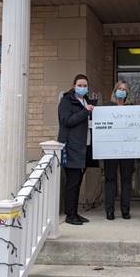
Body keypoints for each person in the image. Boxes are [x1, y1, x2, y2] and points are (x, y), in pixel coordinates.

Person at [57, 74, 94, 226]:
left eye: (85, 85)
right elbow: (66, 121)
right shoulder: (66, 101)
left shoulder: (86, 100)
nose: (83, 88)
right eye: (80, 85)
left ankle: (75, 212)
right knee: (72, 182)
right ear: (74, 85)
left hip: (83, 146)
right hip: (71, 146)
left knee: (78, 181)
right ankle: (69, 215)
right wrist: (85, 111)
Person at [103, 80, 135, 220]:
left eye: (124, 89)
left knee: (126, 180)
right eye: (119, 89)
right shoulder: (106, 107)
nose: (122, 91)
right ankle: (109, 211)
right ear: (115, 91)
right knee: (110, 179)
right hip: (111, 149)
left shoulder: (132, 108)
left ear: (127, 93)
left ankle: (125, 210)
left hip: (128, 149)